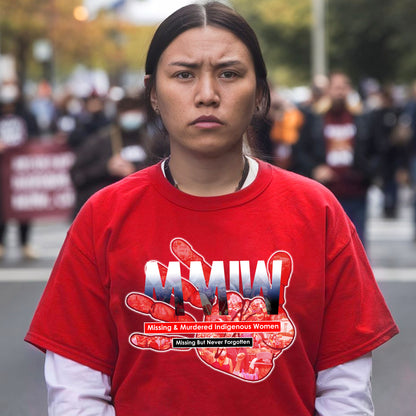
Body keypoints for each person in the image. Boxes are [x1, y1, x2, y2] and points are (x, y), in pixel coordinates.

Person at [25, 2, 398, 415]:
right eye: (184, 75)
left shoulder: (317, 211)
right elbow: (77, 394)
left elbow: (345, 393)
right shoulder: (104, 217)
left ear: (259, 93)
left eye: (229, 74)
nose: (207, 95)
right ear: (152, 92)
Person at [295, 72, 380, 246]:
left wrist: (366, 173)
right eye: (336, 87)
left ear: (349, 90)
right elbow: (300, 151)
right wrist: (315, 169)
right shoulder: (314, 118)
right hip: (325, 194)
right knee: (326, 246)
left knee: (357, 244)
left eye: (343, 87)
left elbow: (377, 149)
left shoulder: (363, 118)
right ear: (328, 90)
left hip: (356, 192)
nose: (339, 92)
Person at [69, 93, 155, 217]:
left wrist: (136, 171)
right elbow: (77, 174)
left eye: (135, 111)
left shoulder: (152, 141)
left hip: (143, 210)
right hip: (106, 211)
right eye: (127, 111)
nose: (131, 116)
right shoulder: (99, 141)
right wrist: (106, 168)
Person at [0, 81, 39, 260]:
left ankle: (25, 243)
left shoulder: (27, 115)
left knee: (24, 206)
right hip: (2, 169)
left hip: (22, 170)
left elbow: (36, 138)